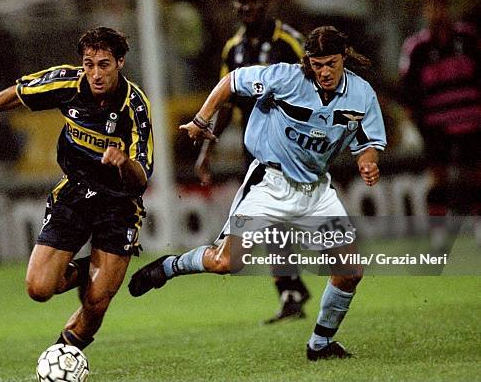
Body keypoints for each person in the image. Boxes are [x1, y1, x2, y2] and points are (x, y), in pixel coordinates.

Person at [129, 26, 387, 360]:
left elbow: (367, 144)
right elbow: (231, 82)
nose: (324, 71)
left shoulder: (362, 94)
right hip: (270, 182)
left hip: (315, 190)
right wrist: (201, 119)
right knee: (226, 262)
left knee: (350, 270)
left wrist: (368, 163)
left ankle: (320, 344)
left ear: (344, 58)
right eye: (317, 64)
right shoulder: (286, 78)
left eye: (331, 64)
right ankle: (170, 267)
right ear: (308, 62)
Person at [0, 27, 154, 351]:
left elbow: (142, 178)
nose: (95, 73)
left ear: (120, 62)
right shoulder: (67, 83)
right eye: (89, 64)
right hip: (75, 192)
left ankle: (63, 357)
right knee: (38, 287)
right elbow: (19, 93)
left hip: (120, 203)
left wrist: (122, 162)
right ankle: (92, 268)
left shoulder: (136, 107)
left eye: (104, 64)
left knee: (96, 302)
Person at [195, 0, 310, 324]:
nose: (248, 8)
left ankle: (296, 287)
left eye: (254, 1)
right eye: (242, 3)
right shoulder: (234, 48)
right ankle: (291, 290)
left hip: (292, 143)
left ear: (267, 1)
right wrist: (206, 148)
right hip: (256, 146)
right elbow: (227, 102)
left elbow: (315, 83)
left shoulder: (288, 41)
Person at [398, 0, 480, 228]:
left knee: (476, 173)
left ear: (448, 9)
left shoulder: (468, 38)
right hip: (436, 123)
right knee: (438, 176)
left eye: (440, 7)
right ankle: (437, 230)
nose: (436, 14)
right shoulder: (416, 48)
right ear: (425, 13)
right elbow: (408, 89)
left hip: (471, 119)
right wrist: (417, 121)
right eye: (431, 9)